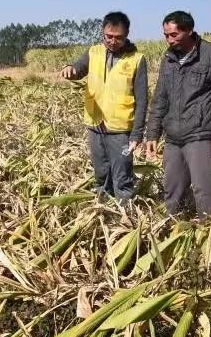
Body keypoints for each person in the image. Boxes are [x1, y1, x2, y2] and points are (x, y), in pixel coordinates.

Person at [144, 10, 211, 218]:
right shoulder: (168, 59)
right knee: (172, 190)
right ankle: (175, 232)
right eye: (166, 35)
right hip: (173, 137)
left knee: (205, 190)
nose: (169, 40)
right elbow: (160, 98)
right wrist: (152, 133)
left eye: (174, 34)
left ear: (189, 30)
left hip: (200, 133)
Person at [60, 11, 148, 200]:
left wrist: (137, 134)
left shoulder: (137, 60)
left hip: (121, 130)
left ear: (126, 35)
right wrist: (70, 68)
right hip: (95, 125)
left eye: (118, 37)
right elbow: (78, 68)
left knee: (122, 177)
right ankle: (102, 211)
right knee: (101, 174)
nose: (113, 41)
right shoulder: (94, 52)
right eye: (109, 36)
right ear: (103, 32)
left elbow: (142, 101)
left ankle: (126, 218)